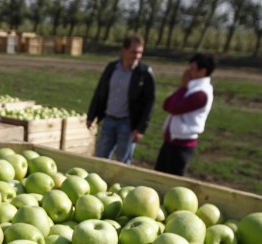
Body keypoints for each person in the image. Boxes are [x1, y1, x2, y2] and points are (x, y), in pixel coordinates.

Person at [86, 34, 156, 164]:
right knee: (100, 158)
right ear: (124, 50)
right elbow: (100, 92)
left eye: (140, 53)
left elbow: (149, 103)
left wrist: (140, 129)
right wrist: (92, 115)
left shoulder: (144, 73)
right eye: (133, 52)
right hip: (109, 121)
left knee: (122, 162)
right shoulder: (112, 68)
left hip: (128, 124)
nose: (137, 56)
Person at [154, 53, 217, 176]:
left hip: (182, 144)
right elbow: (166, 104)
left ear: (203, 71)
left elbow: (173, 108)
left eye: (192, 69)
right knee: (158, 176)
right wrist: (183, 88)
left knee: (174, 179)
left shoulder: (201, 93)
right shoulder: (191, 88)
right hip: (171, 141)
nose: (188, 72)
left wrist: (182, 87)